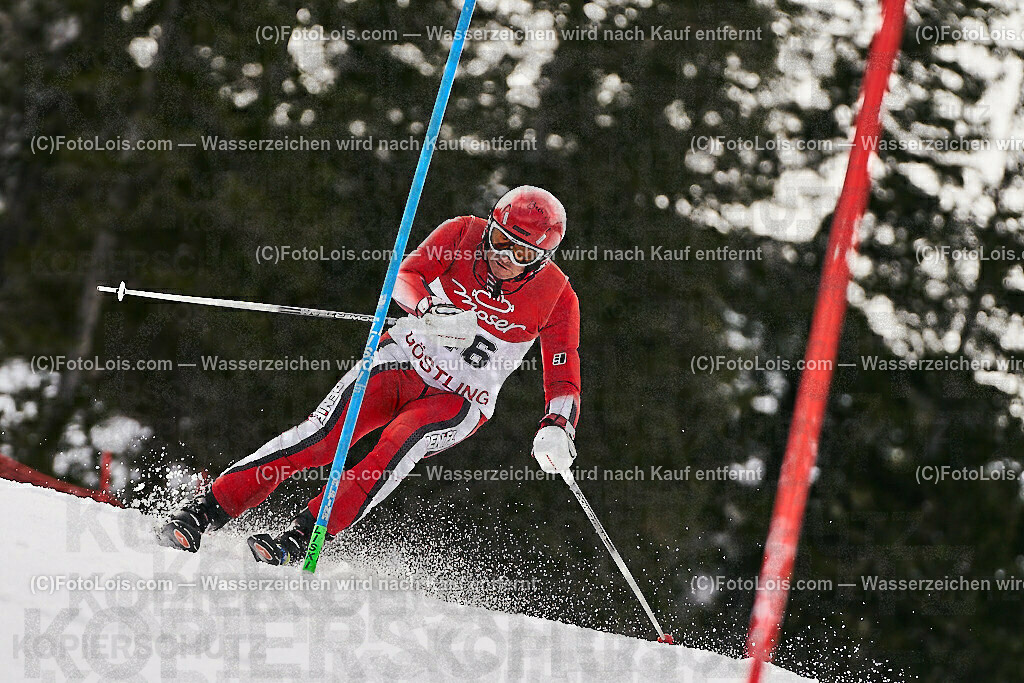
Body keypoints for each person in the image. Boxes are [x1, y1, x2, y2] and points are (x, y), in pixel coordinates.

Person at [158, 186, 582, 564]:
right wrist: (427, 310)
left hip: (459, 399)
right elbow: (404, 276)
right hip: (404, 358)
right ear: (489, 228)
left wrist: (558, 426)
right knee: (324, 436)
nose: (502, 259)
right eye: (499, 242)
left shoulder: (557, 296)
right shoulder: (462, 233)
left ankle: (301, 537)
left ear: (542, 259)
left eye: (521, 254)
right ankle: (205, 510)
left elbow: (563, 374)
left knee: (396, 446)